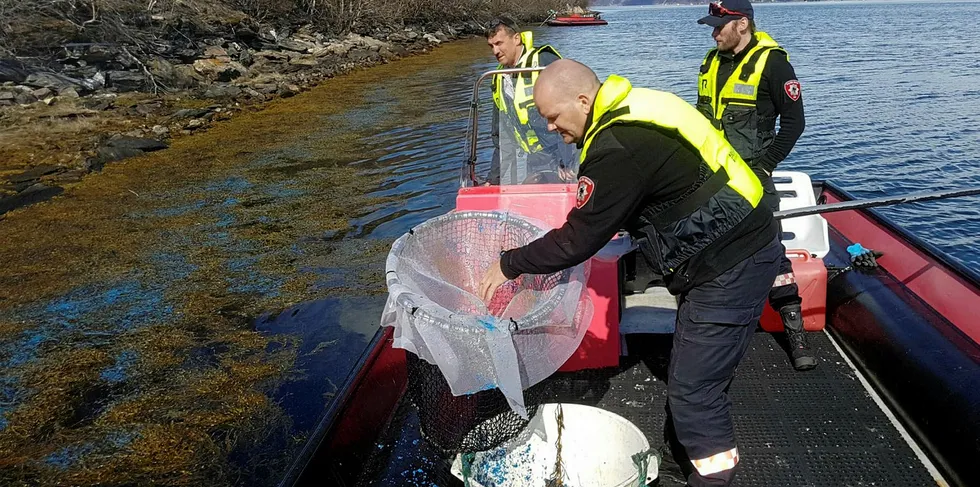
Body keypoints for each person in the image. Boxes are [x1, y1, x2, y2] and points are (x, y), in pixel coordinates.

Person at [478, 59, 782, 487]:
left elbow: (575, 241)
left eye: (553, 117)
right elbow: (660, 183)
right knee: (688, 378)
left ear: (583, 101)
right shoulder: (637, 104)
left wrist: (508, 264)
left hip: (730, 264)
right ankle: (677, 469)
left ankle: (712, 477)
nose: (550, 128)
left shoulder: (614, 146)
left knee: (695, 395)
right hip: (727, 248)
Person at [696, 0, 815, 370]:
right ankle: (712, 338)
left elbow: (794, 124)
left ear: (742, 24)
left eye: (720, 26)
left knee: (772, 253)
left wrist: (764, 167)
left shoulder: (775, 65)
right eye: (713, 26)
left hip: (754, 180)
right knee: (708, 252)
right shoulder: (710, 62)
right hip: (712, 179)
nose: (714, 32)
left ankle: (795, 337)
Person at [484, 17, 576, 185]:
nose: (495, 51)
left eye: (499, 43)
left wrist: (567, 161)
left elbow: (570, 112)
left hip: (565, 154)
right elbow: (501, 136)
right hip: (535, 159)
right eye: (491, 46)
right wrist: (493, 179)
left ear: (516, 39)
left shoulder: (542, 61)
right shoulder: (498, 78)